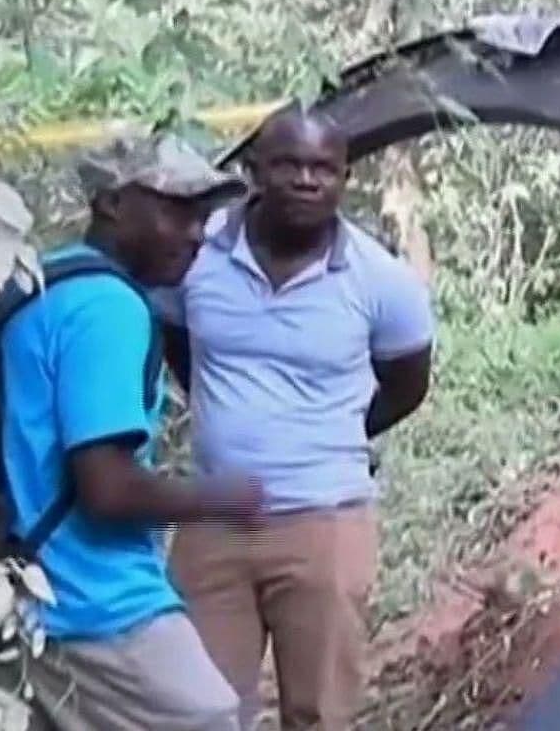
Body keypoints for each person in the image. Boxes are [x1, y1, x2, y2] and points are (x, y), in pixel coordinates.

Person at [154, 106, 435, 731]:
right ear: (254, 170)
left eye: (323, 168)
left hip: (324, 523)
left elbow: (408, 385)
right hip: (215, 521)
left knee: (319, 715)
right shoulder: (197, 253)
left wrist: (328, 434)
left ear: (344, 178)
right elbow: (178, 345)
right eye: (288, 165)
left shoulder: (383, 282)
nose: (307, 180)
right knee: (195, 713)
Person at [0, 133, 262, 731]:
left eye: (202, 217)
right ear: (112, 203)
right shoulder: (108, 307)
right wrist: (224, 498)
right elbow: (108, 488)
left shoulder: (43, 281)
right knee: (210, 718)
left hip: (27, 590)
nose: (195, 234)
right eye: (176, 211)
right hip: (93, 600)